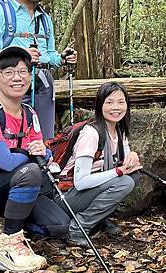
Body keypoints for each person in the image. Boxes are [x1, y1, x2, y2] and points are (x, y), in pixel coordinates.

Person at [0, 46, 69, 273]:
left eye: (23, 71)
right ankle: (8, 247)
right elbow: (6, 162)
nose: (17, 78)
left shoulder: (29, 113)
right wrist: (32, 153)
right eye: (8, 72)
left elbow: (43, 155)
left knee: (59, 224)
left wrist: (43, 153)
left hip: (7, 185)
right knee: (31, 172)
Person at [0, 0, 77, 140]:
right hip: (11, 80)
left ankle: (43, 163)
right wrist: (20, 55)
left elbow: (48, 55)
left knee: (43, 136)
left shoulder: (45, 19)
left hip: (42, 82)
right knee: (13, 135)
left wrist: (61, 58)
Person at [55, 82, 141, 247]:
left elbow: (126, 156)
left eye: (121, 102)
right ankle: (79, 227)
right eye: (109, 102)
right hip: (67, 195)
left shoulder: (118, 128)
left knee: (134, 176)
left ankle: (100, 218)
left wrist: (132, 155)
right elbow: (81, 182)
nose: (116, 107)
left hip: (86, 191)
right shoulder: (91, 134)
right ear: (100, 105)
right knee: (124, 181)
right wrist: (119, 171)